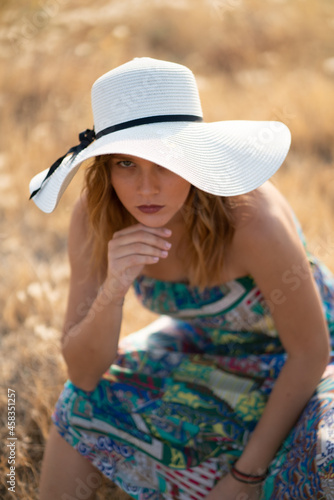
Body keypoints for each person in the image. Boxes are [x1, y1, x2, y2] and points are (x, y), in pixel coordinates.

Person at [29, 58, 334, 500]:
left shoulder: (250, 217)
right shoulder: (96, 217)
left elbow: (311, 351)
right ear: (105, 167)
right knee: (81, 404)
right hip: (206, 346)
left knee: (326, 455)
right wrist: (113, 289)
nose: (146, 188)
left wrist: (245, 478)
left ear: (194, 158)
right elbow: (84, 371)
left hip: (310, 359)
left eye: (165, 163)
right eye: (126, 163)